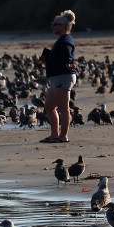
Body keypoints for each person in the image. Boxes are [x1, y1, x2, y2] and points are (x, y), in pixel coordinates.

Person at [40, 10, 77, 143]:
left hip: (63, 76)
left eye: (55, 24)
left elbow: (67, 56)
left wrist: (68, 63)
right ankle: (54, 134)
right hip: (57, 77)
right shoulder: (61, 40)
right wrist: (47, 58)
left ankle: (63, 136)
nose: (53, 26)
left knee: (63, 108)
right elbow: (62, 56)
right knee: (49, 106)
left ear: (62, 26)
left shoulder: (66, 40)